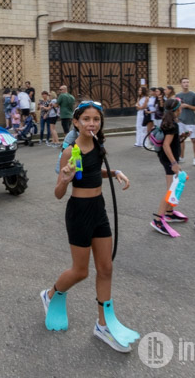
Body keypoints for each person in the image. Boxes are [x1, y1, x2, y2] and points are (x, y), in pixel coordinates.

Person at [40, 100, 137, 353]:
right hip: (79, 212)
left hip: (99, 210)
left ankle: (103, 325)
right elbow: (58, 193)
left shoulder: (98, 145)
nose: (91, 123)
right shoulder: (69, 151)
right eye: (86, 119)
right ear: (76, 122)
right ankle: (50, 295)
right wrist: (65, 179)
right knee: (80, 271)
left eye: (96, 119)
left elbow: (94, 171)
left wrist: (114, 172)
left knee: (106, 268)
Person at [150, 99, 188, 236]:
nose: (182, 109)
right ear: (177, 109)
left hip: (165, 157)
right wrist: (174, 163)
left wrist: (181, 138)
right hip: (169, 160)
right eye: (181, 107)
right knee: (171, 189)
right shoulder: (172, 124)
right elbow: (166, 145)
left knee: (173, 187)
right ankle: (158, 220)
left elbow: (170, 142)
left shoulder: (167, 122)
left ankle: (169, 213)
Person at [176, 78, 195, 166]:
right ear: (181, 84)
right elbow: (176, 107)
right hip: (180, 120)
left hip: (190, 120)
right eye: (184, 82)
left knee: (193, 139)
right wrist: (176, 117)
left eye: (187, 82)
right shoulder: (178, 95)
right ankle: (181, 156)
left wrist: (188, 106)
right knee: (181, 139)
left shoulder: (194, 95)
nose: (186, 84)